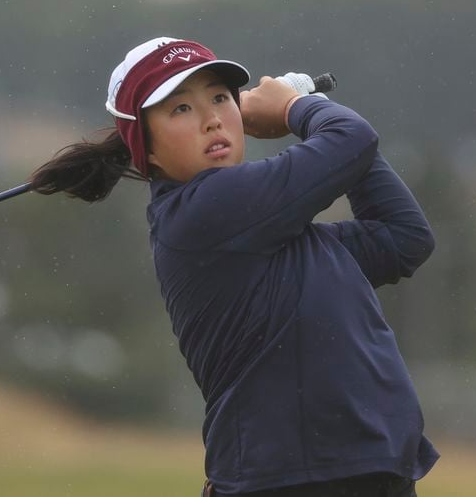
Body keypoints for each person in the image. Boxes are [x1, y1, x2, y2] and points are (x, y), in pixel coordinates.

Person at [30, 37, 438, 496]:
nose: (211, 120)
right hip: (290, 484)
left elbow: (403, 237)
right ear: (147, 149)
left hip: (369, 477)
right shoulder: (202, 212)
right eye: (180, 109)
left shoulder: (284, 237)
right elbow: (352, 141)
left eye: (221, 98)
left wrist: (310, 106)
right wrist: (295, 109)